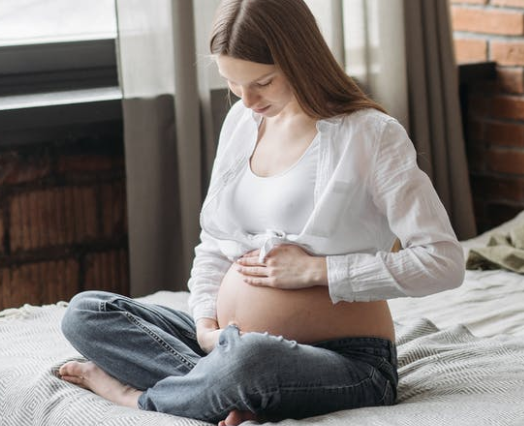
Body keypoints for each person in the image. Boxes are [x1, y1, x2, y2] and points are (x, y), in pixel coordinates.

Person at [58, 0, 465, 425]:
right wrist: (204, 325)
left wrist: (317, 272)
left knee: (251, 360)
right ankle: (215, 385)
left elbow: (443, 262)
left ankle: (139, 397)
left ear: (300, 59)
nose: (248, 99)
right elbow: (215, 241)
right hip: (227, 346)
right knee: (87, 313)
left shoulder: (370, 135)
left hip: (347, 360)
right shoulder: (242, 122)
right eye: (233, 83)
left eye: (262, 82)